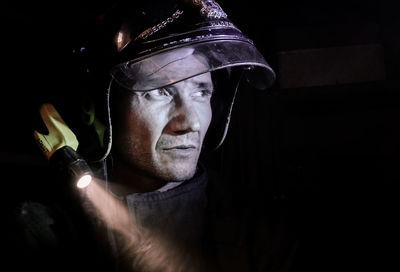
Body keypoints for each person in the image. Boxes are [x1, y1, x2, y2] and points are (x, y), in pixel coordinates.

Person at [6, 0, 297, 271]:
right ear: (98, 109)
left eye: (201, 91)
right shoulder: (43, 233)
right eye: (160, 91)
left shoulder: (262, 232)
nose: (190, 122)